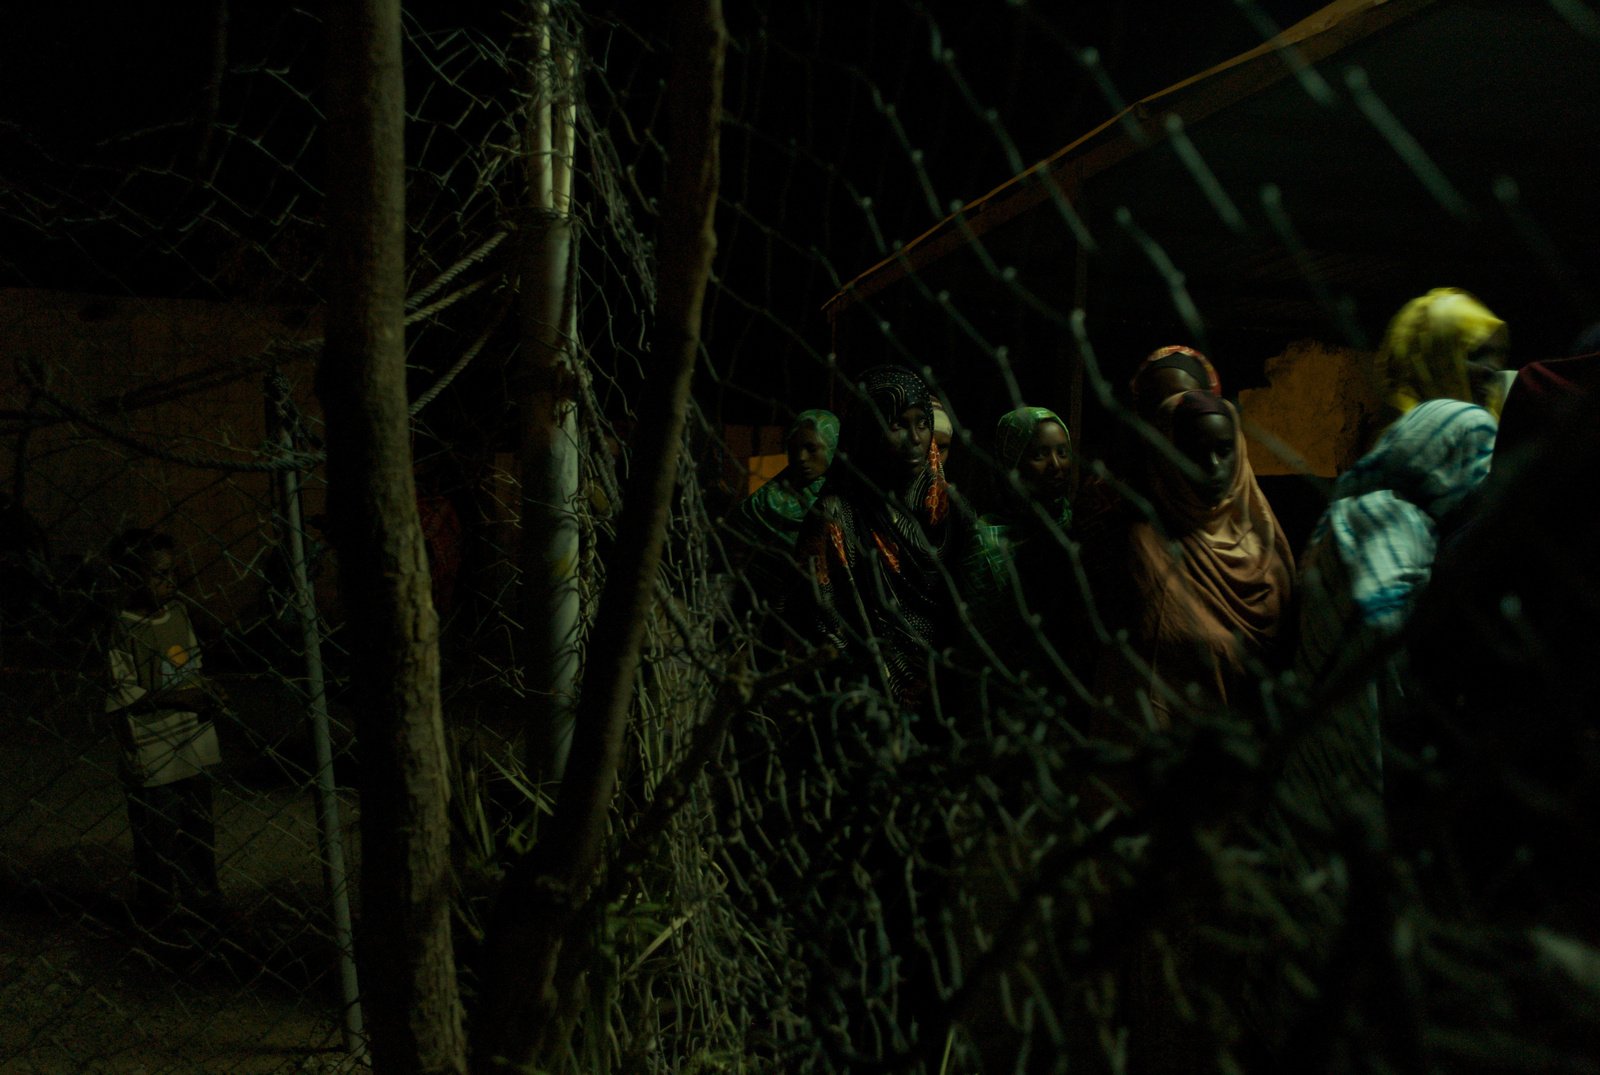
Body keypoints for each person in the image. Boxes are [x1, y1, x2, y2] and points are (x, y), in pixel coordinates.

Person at [1089, 389, 1294, 735]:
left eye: (1224, 451)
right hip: (1179, 747)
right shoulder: (1145, 547)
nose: (1213, 467)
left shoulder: (1266, 541)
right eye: (1194, 454)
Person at [796, 366, 954, 712]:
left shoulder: (944, 511)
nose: (915, 438)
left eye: (922, 423)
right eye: (896, 424)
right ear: (867, 430)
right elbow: (820, 618)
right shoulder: (837, 515)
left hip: (948, 688)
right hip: (862, 697)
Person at [103, 529, 229, 937]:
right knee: (157, 839)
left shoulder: (178, 614)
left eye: (173, 573)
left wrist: (208, 690)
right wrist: (179, 698)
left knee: (199, 831)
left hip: (192, 747)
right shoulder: (122, 630)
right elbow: (125, 696)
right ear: (129, 578)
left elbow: (191, 668)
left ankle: (205, 905)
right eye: (159, 575)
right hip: (153, 755)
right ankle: (157, 914)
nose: (170, 582)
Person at [963, 406, 1081, 681]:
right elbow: (977, 640)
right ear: (1012, 462)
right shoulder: (986, 540)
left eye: (1063, 452)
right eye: (1039, 455)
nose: (1056, 465)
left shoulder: (1078, 524)